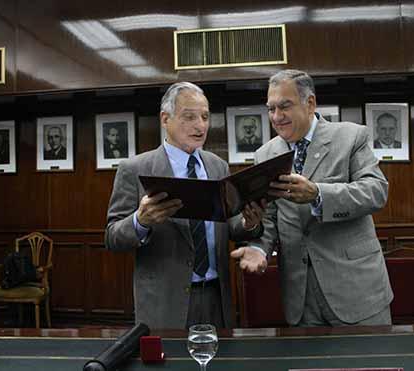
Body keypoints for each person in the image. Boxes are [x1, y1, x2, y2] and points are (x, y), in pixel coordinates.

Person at [231, 70, 393, 327]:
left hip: (356, 292)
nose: (276, 117)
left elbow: (376, 191)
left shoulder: (351, 137)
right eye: (271, 109)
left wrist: (318, 195)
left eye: (284, 106)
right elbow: (270, 218)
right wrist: (260, 248)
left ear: (310, 104)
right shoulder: (265, 154)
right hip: (300, 298)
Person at [105, 82, 266, 329]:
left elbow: (229, 224)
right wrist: (141, 221)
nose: (200, 126)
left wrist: (248, 223)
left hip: (217, 296)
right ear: (165, 119)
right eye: (189, 117)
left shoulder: (217, 167)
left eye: (204, 117)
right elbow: (112, 238)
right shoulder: (135, 169)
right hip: (164, 302)